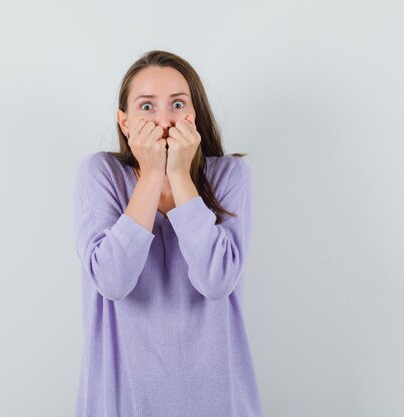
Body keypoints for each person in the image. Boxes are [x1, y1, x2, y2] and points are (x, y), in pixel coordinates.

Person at [72, 50, 263, 417]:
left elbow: (217, 281)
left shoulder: (230, 175)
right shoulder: (100, 174)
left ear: (195, 114)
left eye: (177, 103)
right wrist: (151, 175)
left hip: (216, 399)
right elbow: (112, 281)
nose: (163, 119)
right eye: (146, 107)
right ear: (124, 121)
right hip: (120, 399)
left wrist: (179, 175)